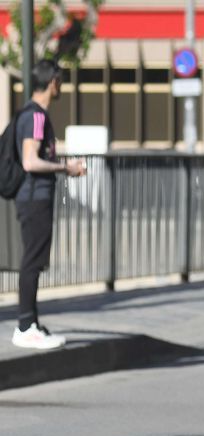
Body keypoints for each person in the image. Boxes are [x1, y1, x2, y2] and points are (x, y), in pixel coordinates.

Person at [11, 59, 87, 350]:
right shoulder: (37, 116)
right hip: (34, 197)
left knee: (34, 260)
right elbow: (31, 161)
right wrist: (66, 168)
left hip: (32, 197)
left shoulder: (29, 114)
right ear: (53, 81)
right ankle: (25, 325)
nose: (61, 86)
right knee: (32, 261)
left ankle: (31, 323)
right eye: (60, 80)